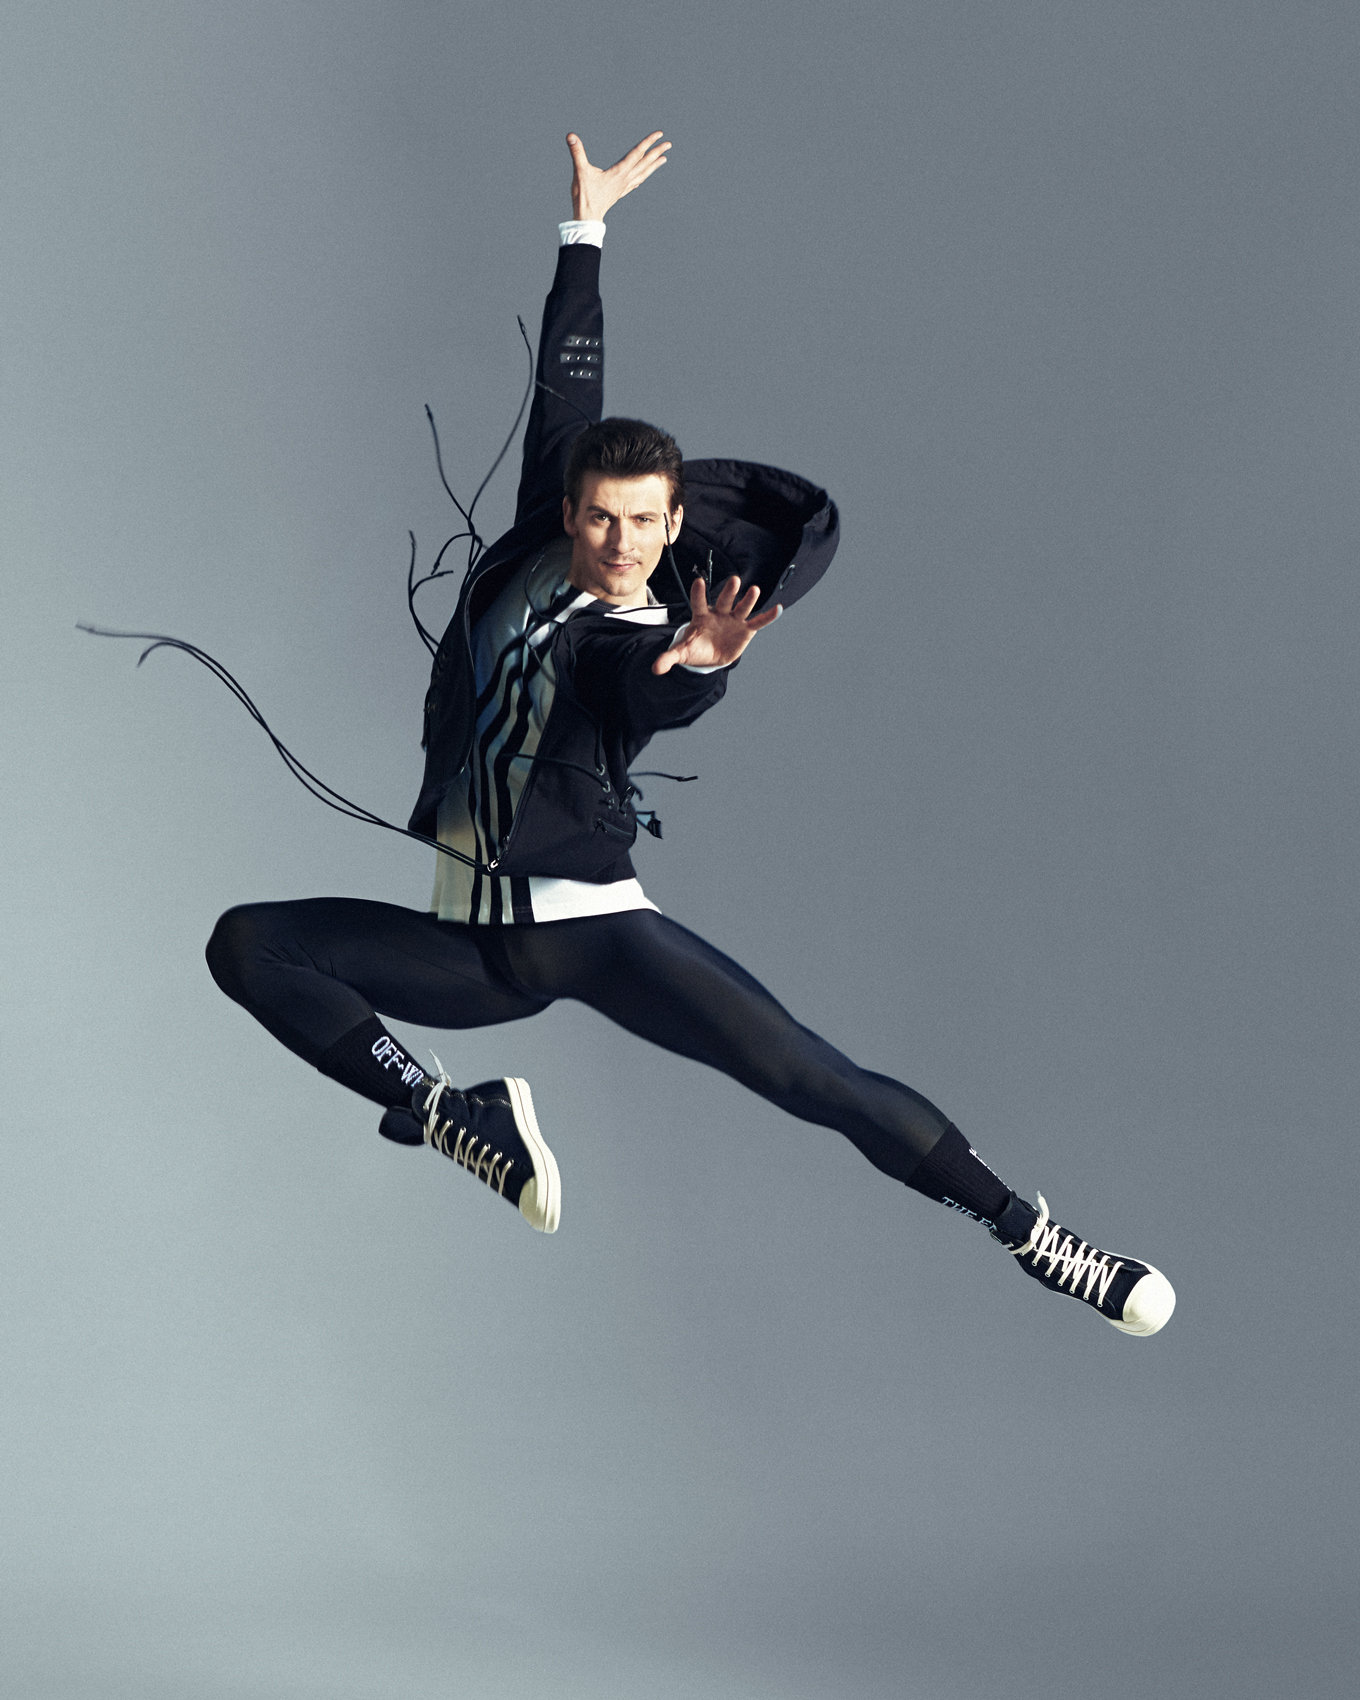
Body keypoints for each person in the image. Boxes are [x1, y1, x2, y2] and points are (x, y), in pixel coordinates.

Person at [206, 130, 1175, 1336]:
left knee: (810, 1075)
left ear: (674, 527)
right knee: (250, 944)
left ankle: (1032, 1233)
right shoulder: (532, 543)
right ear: (570, 508)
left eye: (645, 525)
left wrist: (699, 665)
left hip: (593, 933)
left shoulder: (634, 636)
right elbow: (567, 382)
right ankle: (457, 1114)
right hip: (474, 946)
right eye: (603, 519)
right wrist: (586, 229)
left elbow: (645, 693)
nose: (622, 544)